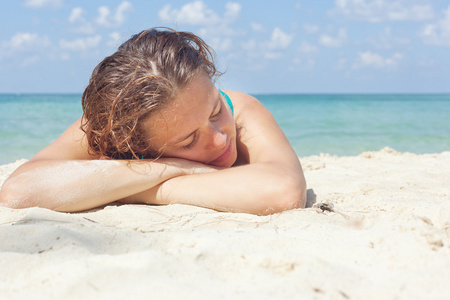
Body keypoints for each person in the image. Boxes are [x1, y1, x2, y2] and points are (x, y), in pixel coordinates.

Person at [0, 28, 306, 215]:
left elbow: (284, 191)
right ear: (135, 146)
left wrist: (142, 189)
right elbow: (19, 192)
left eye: (214, 112)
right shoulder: (113, 127)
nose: (220, 139)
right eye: (188, 140)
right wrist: (167, 169)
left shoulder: (241, 110)